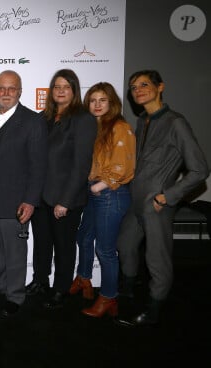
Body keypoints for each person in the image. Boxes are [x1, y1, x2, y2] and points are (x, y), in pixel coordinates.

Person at [115, 70, 208, 327]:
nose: (138, 90)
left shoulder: (176, 122)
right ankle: (128, 293)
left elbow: (200, 169)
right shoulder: (142, 120)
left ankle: (154, 310)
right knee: (125, 245)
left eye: (144, 84)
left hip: (157, 204)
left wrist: (167, 197)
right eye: (134, 87)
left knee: (157, 259)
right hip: (135, 200)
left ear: (160, 87)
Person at [26, 69, 97, 309]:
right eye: (56, 86)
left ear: (74, 90)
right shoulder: (43, 118)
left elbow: (81, 164)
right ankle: (40, 281)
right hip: (42, 196)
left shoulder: (83, 119)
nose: (60, 91)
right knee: (42, 243)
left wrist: (65, 201)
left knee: (64, 246)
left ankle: (61, 289)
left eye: (66, 86)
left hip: (66, 197)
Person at [0, 70, 47, 317]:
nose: (5, 93)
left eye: (11, 88)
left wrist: (30, 200)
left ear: (20, 91)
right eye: (1, 88)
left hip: (16, 200)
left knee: (15, 251)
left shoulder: (33, 121)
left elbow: (38, 165)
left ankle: (15, 295)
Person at [70, 82, 135, 318]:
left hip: (111, 193)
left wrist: (100, 185)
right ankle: (84, 278)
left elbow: (123, 164)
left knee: (105, 250)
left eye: (102, 100)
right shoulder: (95, 127)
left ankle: (109, 297)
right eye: (93, 100)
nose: (97, 105)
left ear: (112, 103)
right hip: (95, 191)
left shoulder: (120, 127)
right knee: (84, 236)